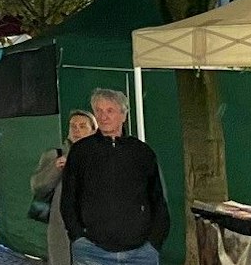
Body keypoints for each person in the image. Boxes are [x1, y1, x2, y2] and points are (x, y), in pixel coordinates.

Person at [61, 89, 169, 265]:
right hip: (92, 252)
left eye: (109, 110)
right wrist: (78, 236)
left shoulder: (142, 152)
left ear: (123, 115)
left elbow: (157, 199)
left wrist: (154, 242)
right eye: (99, 111)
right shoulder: (81, 152)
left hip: (140, 253)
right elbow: (69, 198)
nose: (103, 116)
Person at [31, 111, 96, 265]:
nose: (76, 130)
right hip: (62, 232)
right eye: (73, 126)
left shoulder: (103, 157)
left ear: (93, 130)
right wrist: (55, 168)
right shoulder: (54, 155)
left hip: (95, 232)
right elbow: (37, 187)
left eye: (82, 126)